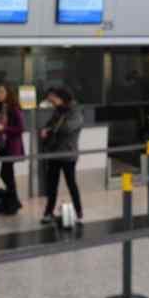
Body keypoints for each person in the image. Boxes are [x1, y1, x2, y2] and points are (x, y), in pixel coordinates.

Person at [40, 88, 84, 225]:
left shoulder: (75, 112)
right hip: (54, 152)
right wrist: (46, 129)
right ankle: (48, 213)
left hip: (68, 154)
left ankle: (79, 213)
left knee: (71, 184)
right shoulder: (58, 111)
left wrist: (50, 130)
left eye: (54, 98)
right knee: (52, 185)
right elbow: (49, 124)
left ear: (62, 98)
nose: (52, 101)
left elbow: (67, 128)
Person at [0, 84, 25, 215]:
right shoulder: (1, 108)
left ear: (8, 93)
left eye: (2, 91)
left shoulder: (14, 108)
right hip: (3, 146)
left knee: (5, 174)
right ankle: (14, 203)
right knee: (7, 174)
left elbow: (20, 128)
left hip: (11, 146)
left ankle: (13, 204)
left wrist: (4, 129)